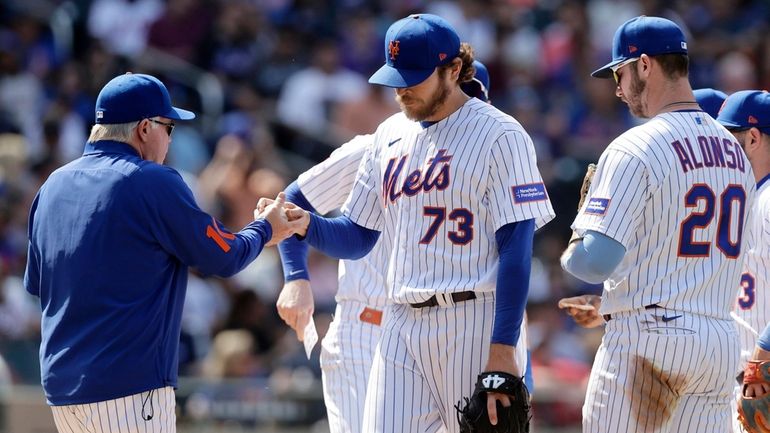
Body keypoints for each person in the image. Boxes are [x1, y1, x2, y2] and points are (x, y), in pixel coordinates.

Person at [267, 13, 554, 432]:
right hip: (400, 319)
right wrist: (305, 224)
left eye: (414, 78)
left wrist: (503, 349)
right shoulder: (388, 135)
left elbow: (516, 249)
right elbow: (358, 236)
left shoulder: (501, 135)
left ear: (453, 70)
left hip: (471, 318)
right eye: (396, 77)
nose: (401, 89)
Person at [23, 73, 302, 433]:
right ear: (143, 128)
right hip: (127, 387)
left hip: (61, 387)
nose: (171, 139)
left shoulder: (52, 186)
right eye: (168, 127)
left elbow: (38, 285)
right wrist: (266, 227)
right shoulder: (151, 180)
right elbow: (224, 256)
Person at [557, 16, 756, 433]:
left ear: (644, 65)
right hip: (719, 340)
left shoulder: (636, 145)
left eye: (620, 72)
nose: (617, 86)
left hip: (649, 343)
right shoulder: (734, 151)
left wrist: (578, 234)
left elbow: (592, 264)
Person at [715, 90, 770, 432]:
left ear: (752, 138)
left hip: (761, 376)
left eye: (726, 139)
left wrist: (760, 361)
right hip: (748, 380)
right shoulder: (750, 199)